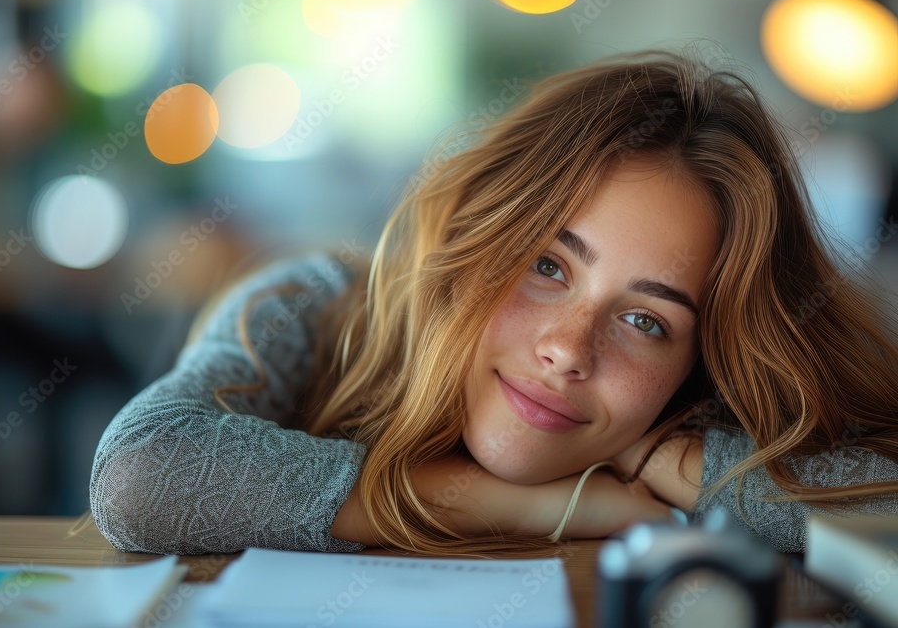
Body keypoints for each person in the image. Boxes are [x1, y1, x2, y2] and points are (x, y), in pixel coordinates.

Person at [86, 49, 898, 558]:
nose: (570, 348)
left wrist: (657, 457)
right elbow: (137, 476)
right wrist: (546, 505)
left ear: (699, 364)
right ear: (478, 234)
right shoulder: (311, 305)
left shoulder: (681, 421)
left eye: (647, 320)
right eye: (547, 264)